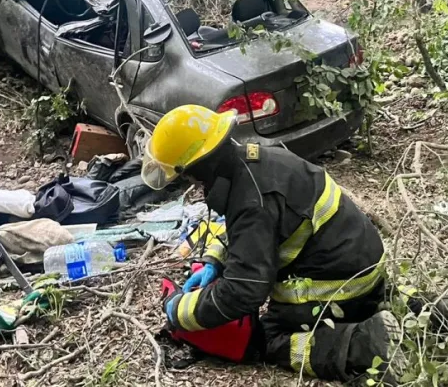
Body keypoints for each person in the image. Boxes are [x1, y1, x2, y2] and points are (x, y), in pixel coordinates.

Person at [141, 104, 402, 383]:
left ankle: (367, 344)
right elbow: (248, 230)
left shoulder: (250, 199)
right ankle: (397, 305)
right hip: (359, 260)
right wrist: (214, 260)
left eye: (187, 176)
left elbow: (244, 291)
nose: (190, 183)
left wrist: (179, 311)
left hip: (342, 281)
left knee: (270, 337)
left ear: (197, 167)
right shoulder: (253, 163)